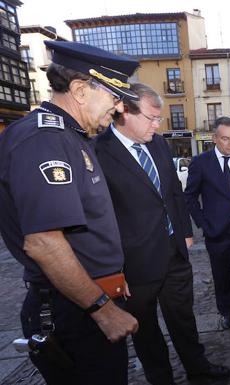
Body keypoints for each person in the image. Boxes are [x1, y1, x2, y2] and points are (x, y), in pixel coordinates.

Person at [0, 41, 139, 385]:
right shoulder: (44, 140)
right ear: (79, 90)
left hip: (88, 300)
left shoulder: (72, 137)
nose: (120, 108)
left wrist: (114, 284)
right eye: (114, 96)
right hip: (75, 312)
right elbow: (44, 243)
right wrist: (103, 311)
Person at [94, 84, 230, 385]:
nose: (157, 126)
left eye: (160, 119)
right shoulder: (97, 152)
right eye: (152, 118)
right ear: (125, 111)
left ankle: (199, 370)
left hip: (174, 254)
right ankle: (161, 378)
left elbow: (173, 191)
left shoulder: (156, 143)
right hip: (135, 263)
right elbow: (99, 218)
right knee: (145, 330)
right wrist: (114, 269)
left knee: (184, 319)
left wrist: (184, 232)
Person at [185, 117, 230, 330]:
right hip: (217, 233)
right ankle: (225, 312)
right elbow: (189, 197)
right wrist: (204, 225)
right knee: (221, 275)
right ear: (215, 138)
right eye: (225, 139)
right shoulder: (200, 163)